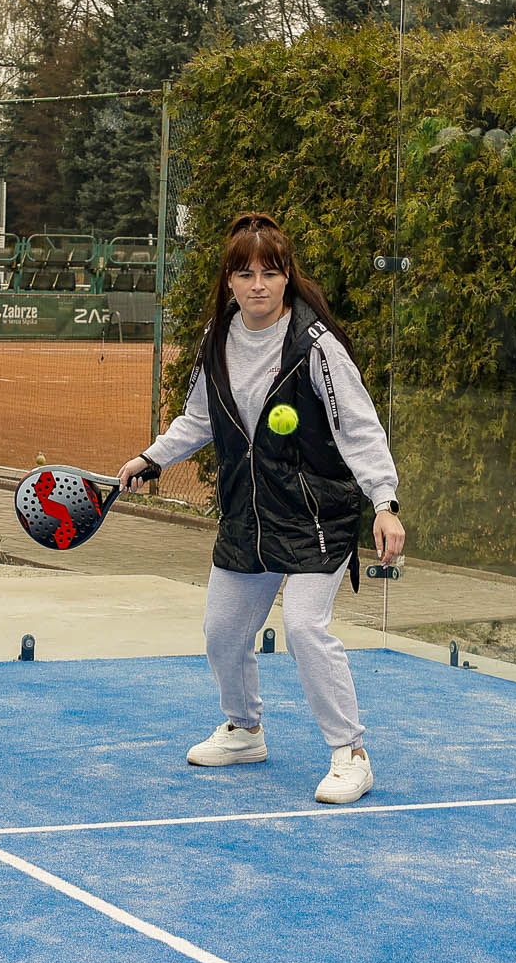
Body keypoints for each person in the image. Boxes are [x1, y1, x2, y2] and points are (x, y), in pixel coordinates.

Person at [116, 212, 404, 805]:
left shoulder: (315, 346)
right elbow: (198, 418)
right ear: (228, 282)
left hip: (313, 514)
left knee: (303, 628)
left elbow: (359, 428)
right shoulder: (216, 339)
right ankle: (245, 730)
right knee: (222, 632)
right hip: (247, 515)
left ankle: (350, 753)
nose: (257, 285)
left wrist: (384, 502)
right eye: (244, 274)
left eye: (270, 273)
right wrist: (153, 457)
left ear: (287, 277)